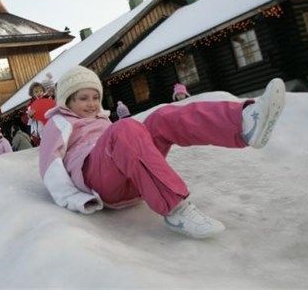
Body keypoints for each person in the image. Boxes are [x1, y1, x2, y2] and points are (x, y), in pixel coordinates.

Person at [39, 65, 286, 239]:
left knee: (161, 117)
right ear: (67, 101)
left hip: (131, 181)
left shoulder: (104, 121)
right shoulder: (60, 122)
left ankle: (243, 123)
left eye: (95, 97)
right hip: (97, 180)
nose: (92, 103)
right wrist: (76, 199)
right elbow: (49, 164)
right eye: (83, 98)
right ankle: (176, 209)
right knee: (125, 128)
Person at [21, 82, 46, 146]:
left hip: (49, 130)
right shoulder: (30, 106)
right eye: (36, 91)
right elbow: (24, 120)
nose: (39, 93)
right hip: (38, 135)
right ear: (32, 94)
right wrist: (30, 116)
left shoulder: (47, 101)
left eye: (41, 91)